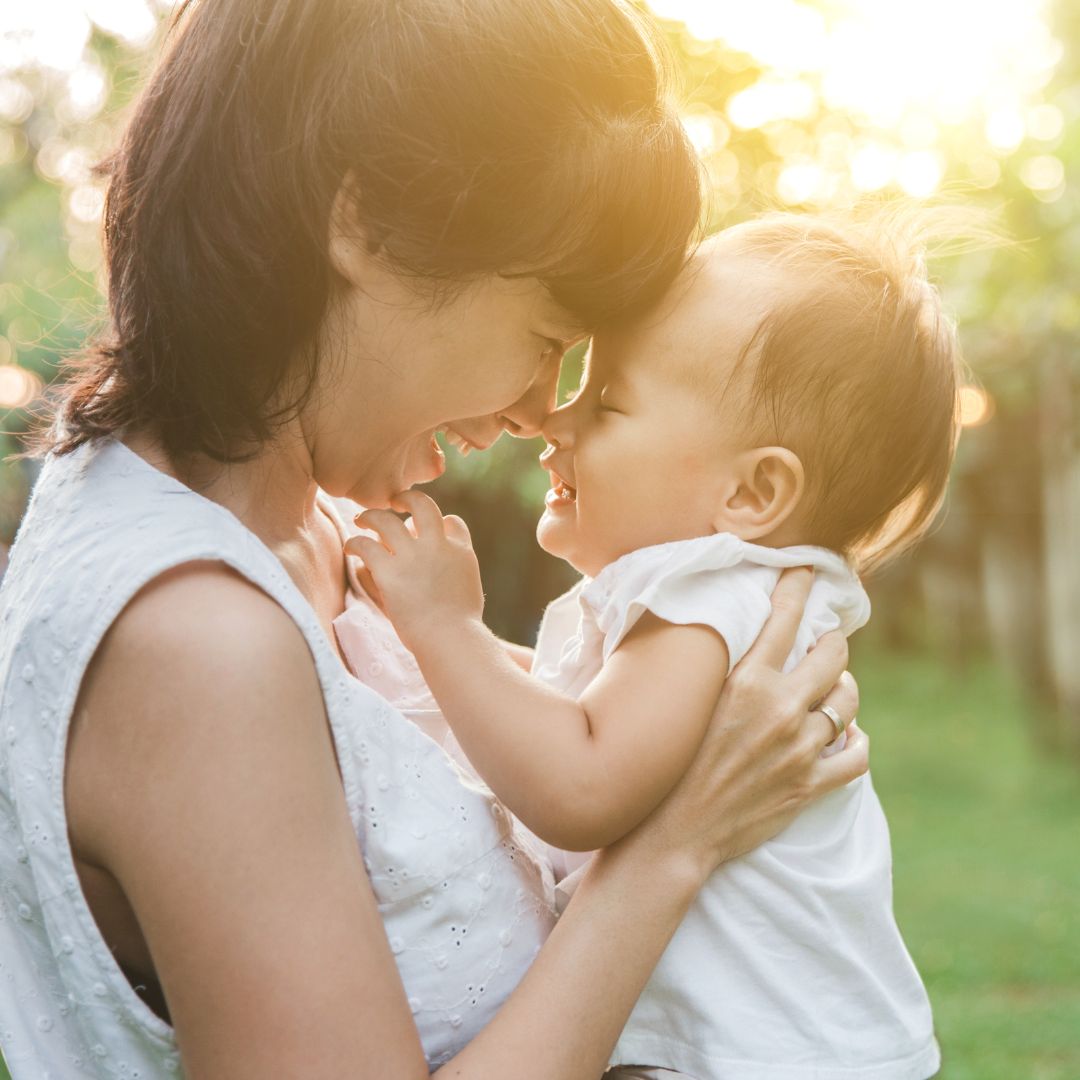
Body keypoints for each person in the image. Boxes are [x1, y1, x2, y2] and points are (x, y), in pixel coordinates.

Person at [0, 2, 864, 1077]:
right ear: (363, 225)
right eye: (547, 337)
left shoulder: (283, 532)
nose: (541, 410)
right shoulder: (195, 645)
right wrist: (674, 846)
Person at [344, 211, 951, 1079]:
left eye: (608, 401)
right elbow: (585, 709)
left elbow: (582, 783)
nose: (557, 419)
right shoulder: (734, 599)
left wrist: (444, 630)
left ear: (754, 491)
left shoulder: (710, 595)